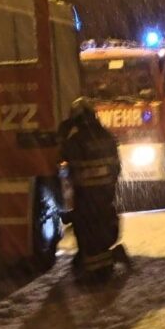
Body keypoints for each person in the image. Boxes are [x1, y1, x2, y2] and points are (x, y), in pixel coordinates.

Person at [58, 96, 128, 280]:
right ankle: (106, 262)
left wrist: (62, 132)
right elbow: (117, 167)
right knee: (102, 228)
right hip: (105, 195)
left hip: (86, 196)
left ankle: (95, 270)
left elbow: (59, 156)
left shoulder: (76, 141)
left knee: (86, 231)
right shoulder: (106, 136)